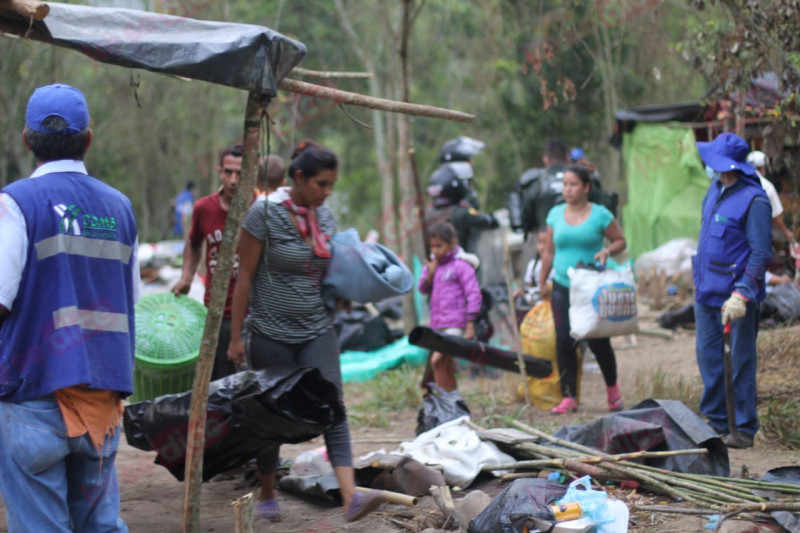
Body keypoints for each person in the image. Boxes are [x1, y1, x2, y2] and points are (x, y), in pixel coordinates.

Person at [0, 84, 138, 531]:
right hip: (103, 400)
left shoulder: (15, 203)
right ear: (89, 139)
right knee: (100, 525)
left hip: (34, 396)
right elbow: (130, 300)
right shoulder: (120, 208)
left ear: (26, 139)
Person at [226, 140, 381, 523]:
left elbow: (327, 270)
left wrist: (345, 291)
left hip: (316, 327)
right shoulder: (263, 214)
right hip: (270, 331)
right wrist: (234, 338)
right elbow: (244, 275)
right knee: (272, 412)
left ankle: (350, 498)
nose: (327, 192)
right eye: (322, 184)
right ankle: (266, 490)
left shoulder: (324, 218)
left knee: (335, 407)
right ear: (298, 178)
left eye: (331, 185)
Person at [694, 133, 773, 449]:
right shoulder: (714, 191)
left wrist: (742, 292)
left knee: (739, 363)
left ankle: (742, 429)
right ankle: (716, 423)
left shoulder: (755, 200)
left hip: (735, 299)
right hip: (706, 294)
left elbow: (760, 252)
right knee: (709, 358)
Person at [538, 165, 627, 415]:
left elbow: (620, 241)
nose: (568, 189)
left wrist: (607, 251)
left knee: (597, 339)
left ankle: (613, 391)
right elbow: (548, 251)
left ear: (586, 187)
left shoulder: (600, 215)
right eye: (565, 184)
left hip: (590, 286)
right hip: (562, 286)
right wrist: (542, 279)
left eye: (573, 184)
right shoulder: (555, 214)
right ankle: (569, 397)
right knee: (564, 340)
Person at [171, 143, 246, 381]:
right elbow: (194, 243)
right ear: (219, 171)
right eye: (228, 172)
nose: (233, 180)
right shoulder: (205, 208)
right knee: (219, 381)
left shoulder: (259, 207)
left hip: (252, 313)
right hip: (217, 311)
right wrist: (186, 276)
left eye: (240, 173)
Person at [418, 222, 483, 392]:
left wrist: (470, 325)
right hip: (438, 325)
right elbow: (422, 289)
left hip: (456, 325)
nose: (435, 251)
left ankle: (448, 401)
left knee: (437, 361)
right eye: (432, 246)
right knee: (444, 365)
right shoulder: (433, 265)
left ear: (452, 243)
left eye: (439, 246)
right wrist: (430, 274)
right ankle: (452, 401)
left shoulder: (461, 266)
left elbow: (474, 294)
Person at [425, 137, 498, 253]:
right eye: (470, 160)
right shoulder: (461, 213)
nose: (472, 164)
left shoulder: (430, 212)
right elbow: (486, 221)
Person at [746, 150, 794, 244]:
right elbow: (776, 216)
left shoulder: (739, 182)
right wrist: (786, 232)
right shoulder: (767, 187)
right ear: (763, 168)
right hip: (758, 236)